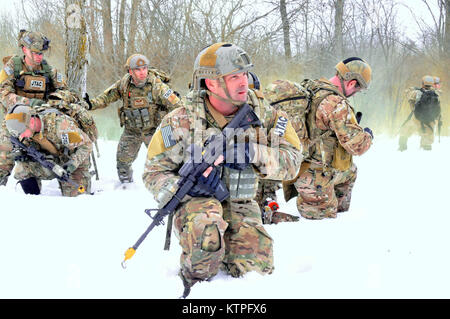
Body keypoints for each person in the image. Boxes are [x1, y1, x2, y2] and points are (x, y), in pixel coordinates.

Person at [142, 42, 302, 295]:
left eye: (244, 74)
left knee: (256, 270)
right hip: (198, 203)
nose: (244, 82)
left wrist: (250, 152)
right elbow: (153, 172)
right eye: (234, 77)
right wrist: (184, 189)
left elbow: (293, 163)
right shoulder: (180, 120)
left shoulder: (266, 115)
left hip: (241, 201)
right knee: (205, 254)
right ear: (211, 83)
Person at [281, 57, 373, 220]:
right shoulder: (335, 102)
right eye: (357, 90)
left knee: (350, 171)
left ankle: (336, 207)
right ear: (352, 83)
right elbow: (357, 146)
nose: (354, 94)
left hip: (298, 169)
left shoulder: (311, 87)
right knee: (321, 228)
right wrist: (368, 135)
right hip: (315, 180)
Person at [84, 54, 183, 183]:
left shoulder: (157, 86)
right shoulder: (124, 85)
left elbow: (177, 106)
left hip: (155, 131)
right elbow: (106, 97)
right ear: (130, 71)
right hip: (132, 132)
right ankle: (126, 188)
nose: (142, 72)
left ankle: (172, 187)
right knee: (122, 165)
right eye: (138, 69)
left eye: (144, 68)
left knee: (170, 162)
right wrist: (90, 104)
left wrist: (174, 128)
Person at [0, 30, 67, 186]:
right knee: (5, 149)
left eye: (41, 53)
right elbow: (3, 93)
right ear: (24, 50)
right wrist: (28, 103)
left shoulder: (48, 69)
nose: (39, 57)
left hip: (41, 119)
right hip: (16, 118)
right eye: (35, 53)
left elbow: (64, 90)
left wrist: (56, 101)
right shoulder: (12, 67)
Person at [3, 104, 92, 196]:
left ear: (32, 122)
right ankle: (32, 198)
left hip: (72, 160)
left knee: (77, 197)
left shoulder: (62, 127)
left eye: (22, 132)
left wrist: (72, 165)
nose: (22, 136)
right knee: (21, 168)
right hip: (50, 161)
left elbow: (87, 145)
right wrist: (21, 155)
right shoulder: (24, 130)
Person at [398, 75, 441, 151]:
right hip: (430, 121)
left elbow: (406, 93)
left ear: (423, 83)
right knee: (428, 140)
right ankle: (426, 150)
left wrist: (413, 88)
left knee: (404, 130)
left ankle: (402, 147)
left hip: (416, 119)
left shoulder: (416, 93)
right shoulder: (436, 94)